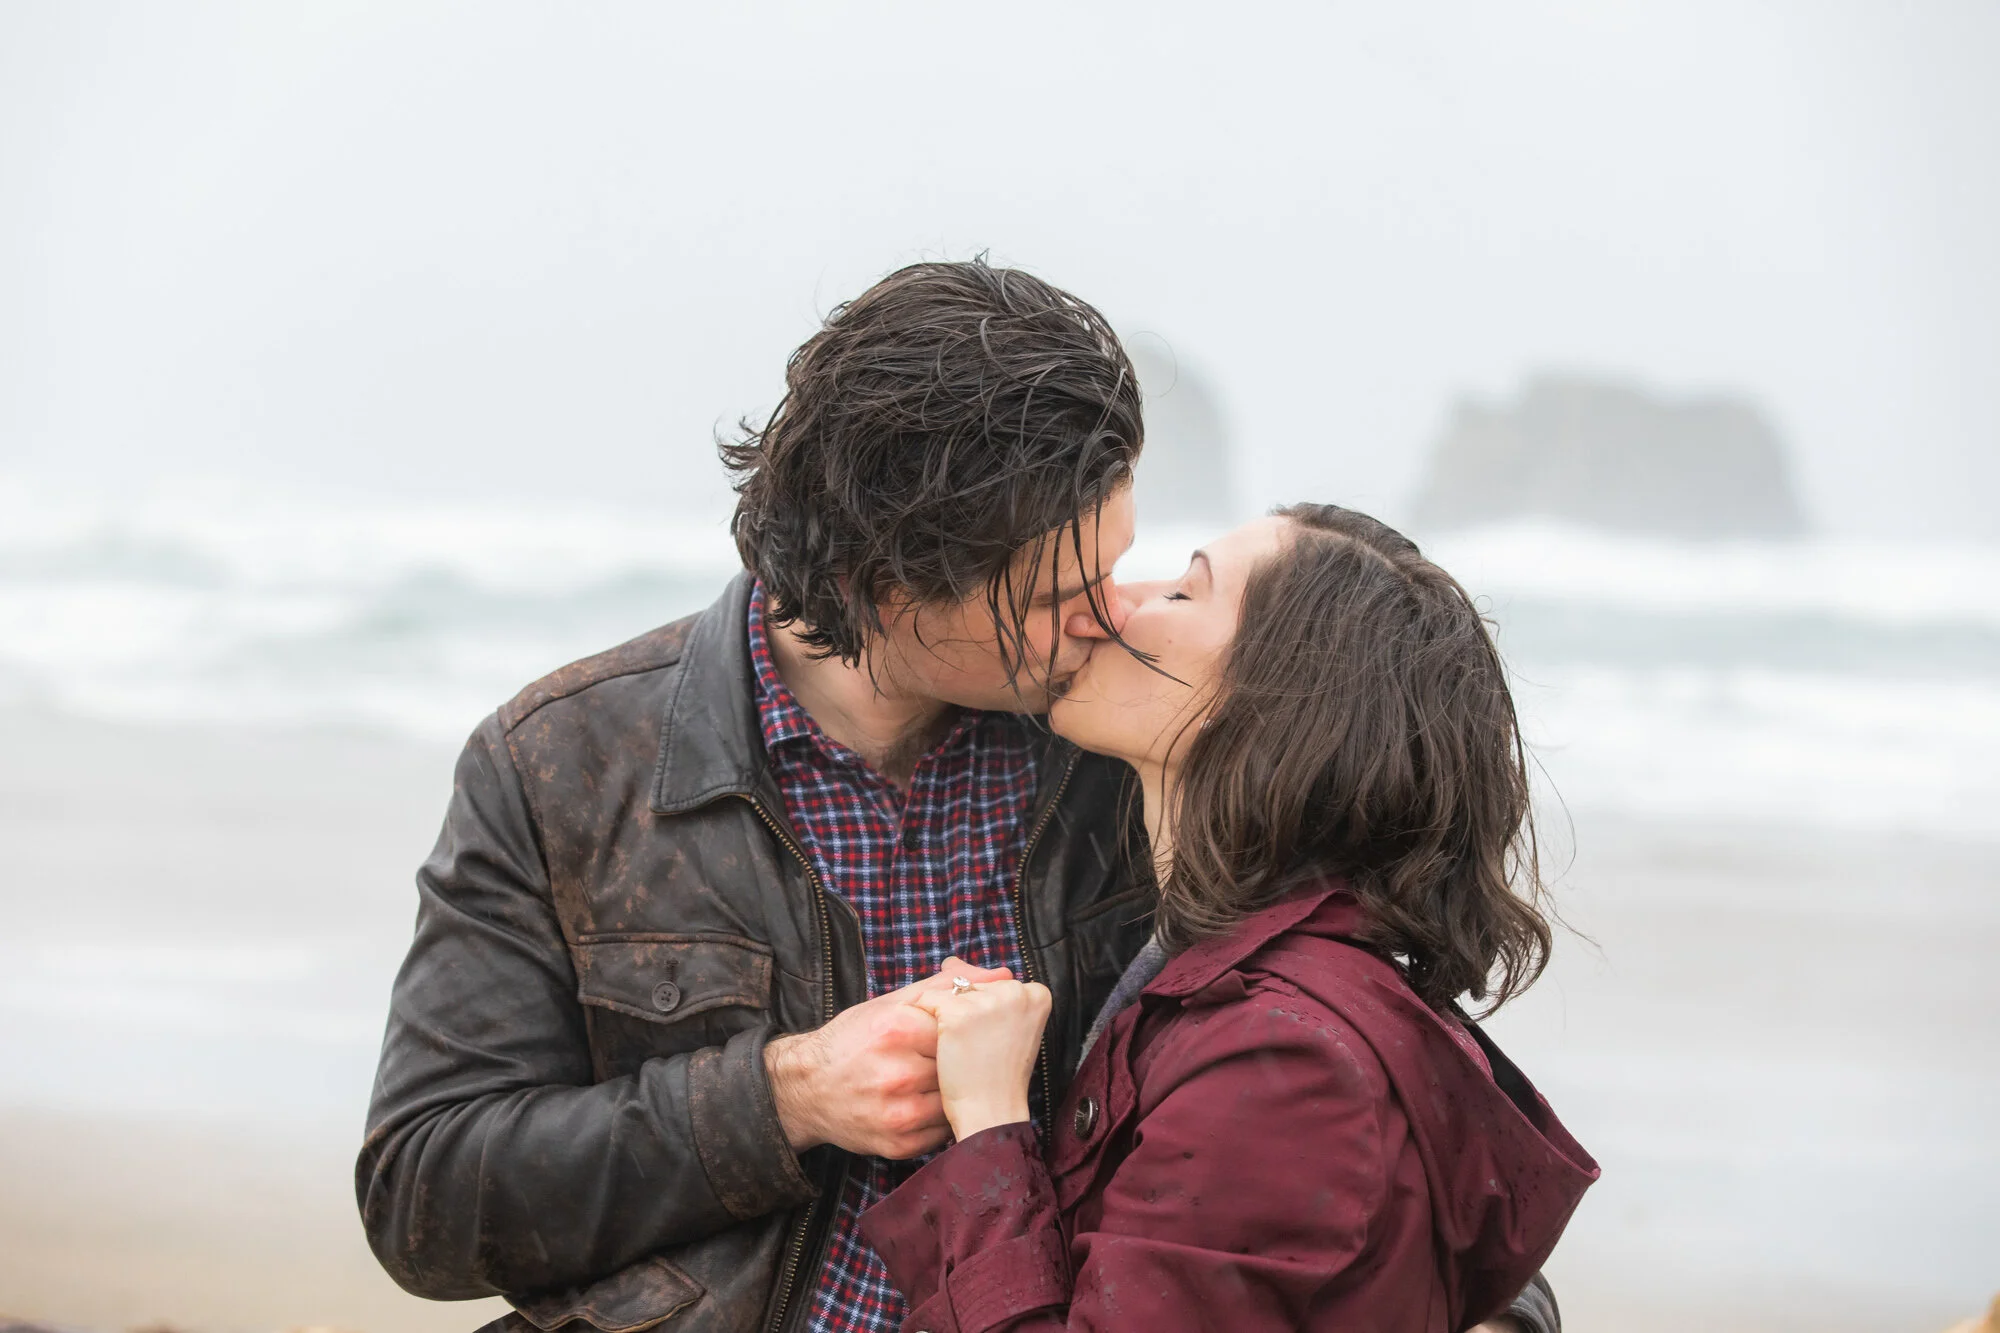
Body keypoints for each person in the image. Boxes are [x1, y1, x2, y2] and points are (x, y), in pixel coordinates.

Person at [357, 258, 1561, 1333]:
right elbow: (423, 1197)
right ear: (880, 592)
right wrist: (783, 1098)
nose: (1105, 616)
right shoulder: (564, 760)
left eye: (1111, 561)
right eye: (1050, 596)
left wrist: (1497, 1310)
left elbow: (1356, 1097)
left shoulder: (1134, 760)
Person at [860, 505, 1598, 1331]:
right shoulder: (1229, 968)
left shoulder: (1281, 1057)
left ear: (1273, 702)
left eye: (1184, 591)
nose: (1110, 603)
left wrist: (989, 1123)